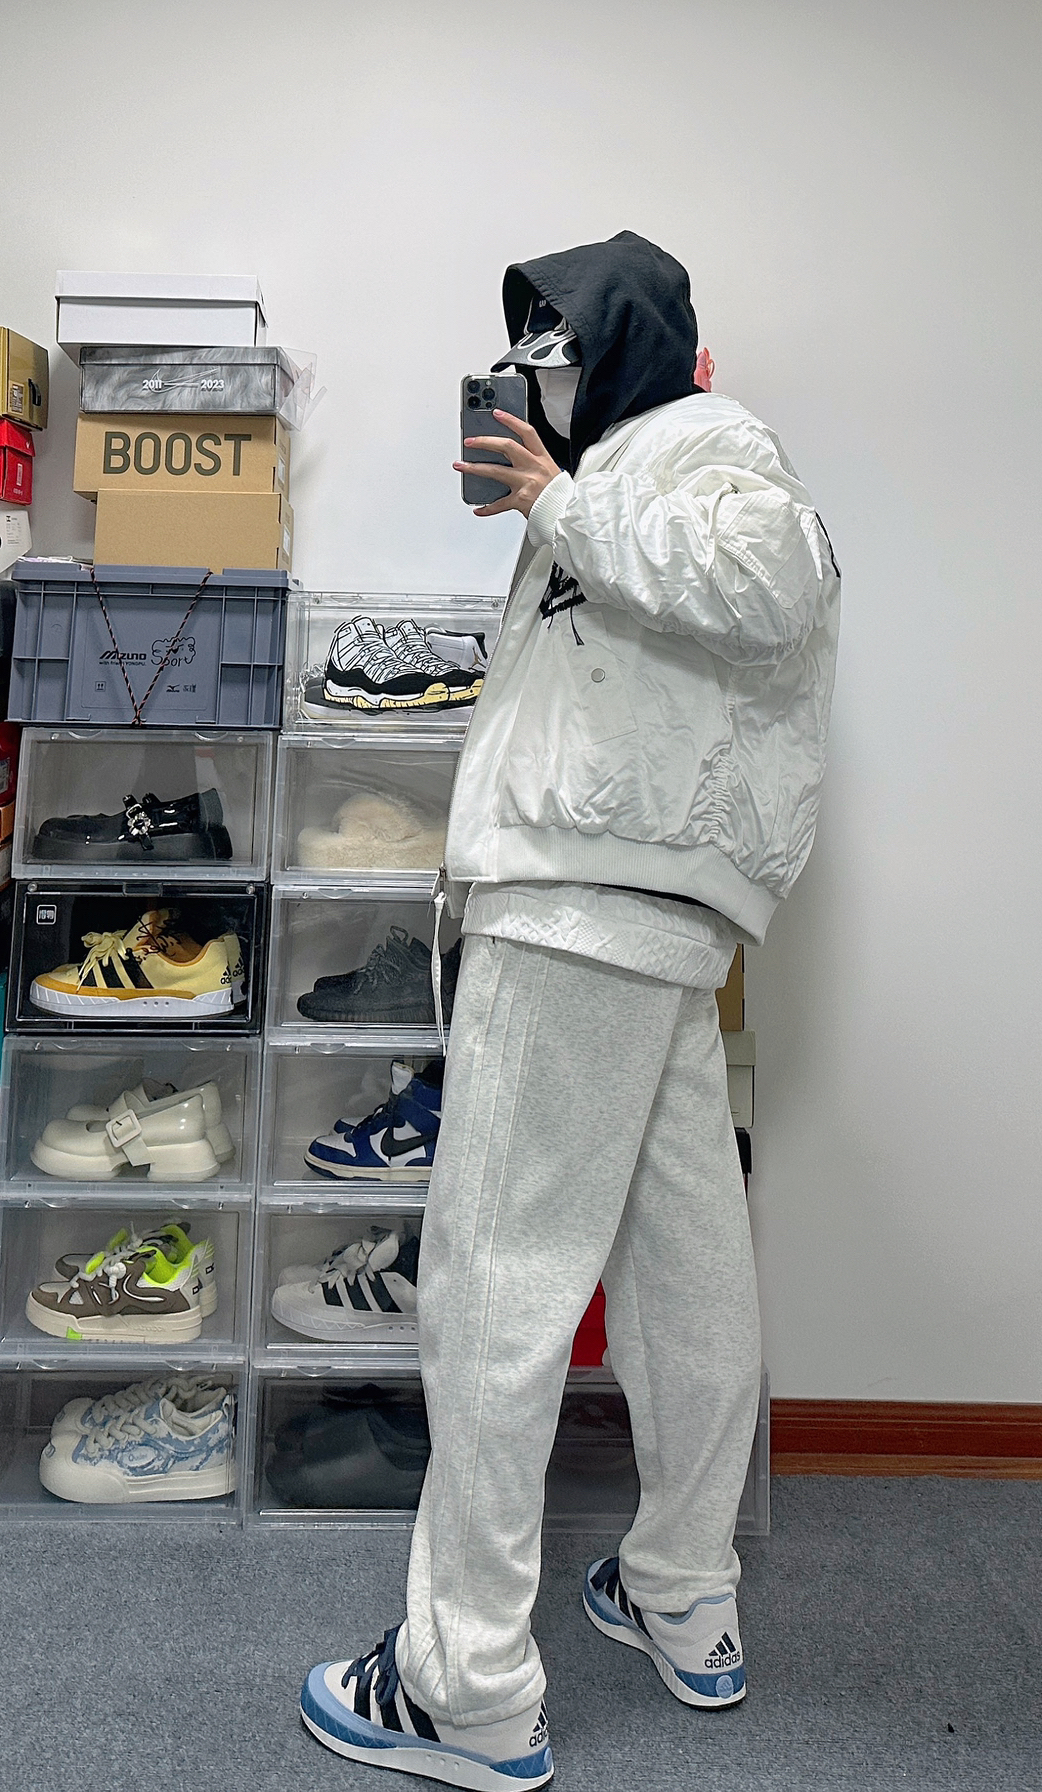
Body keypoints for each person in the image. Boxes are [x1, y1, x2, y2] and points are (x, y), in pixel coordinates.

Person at [299, 229, 841, 1789]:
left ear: (640, 354)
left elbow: (771, 579)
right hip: (642, 914)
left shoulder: (703, 447)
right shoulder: (633, 469)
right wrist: (565, 495)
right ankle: (681, 1591)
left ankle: (464, 1687)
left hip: (580, 907)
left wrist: (560, 497)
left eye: (562, 348)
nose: (540, 382)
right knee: (685, 1269)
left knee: (494, 1284)